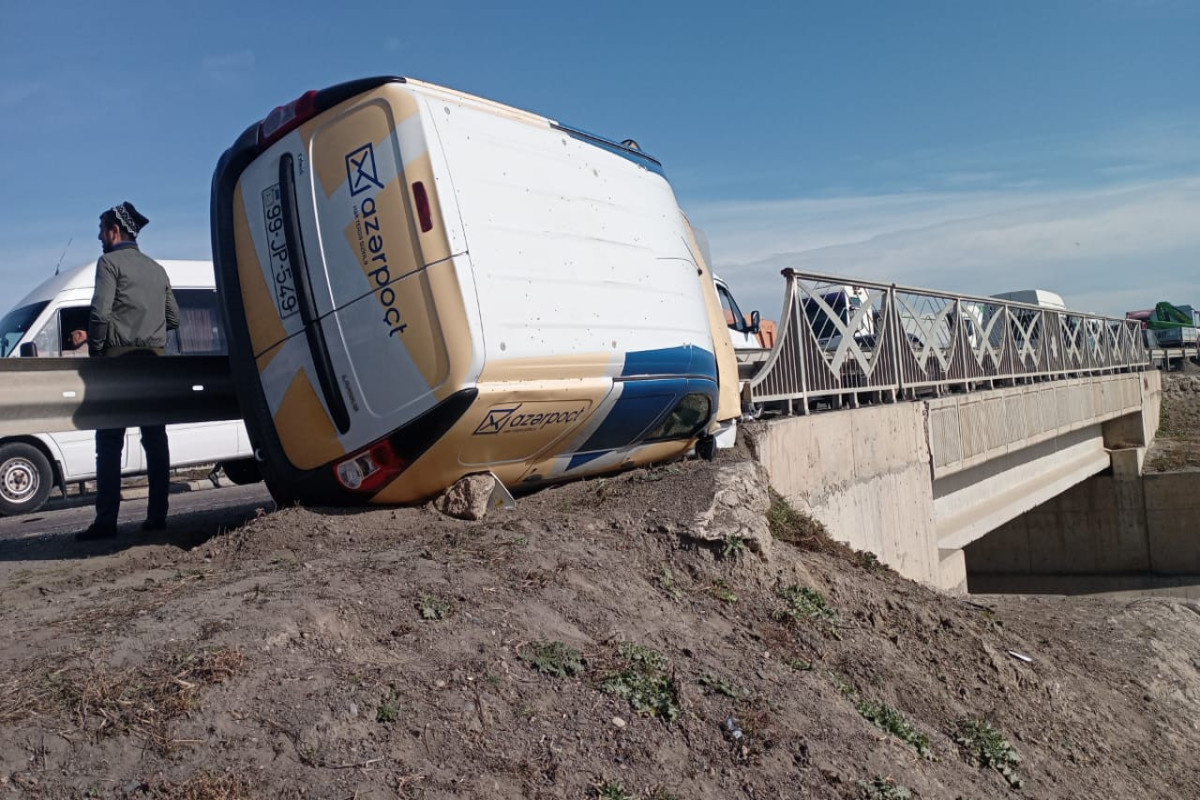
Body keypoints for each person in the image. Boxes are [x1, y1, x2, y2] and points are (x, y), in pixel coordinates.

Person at [76, 202, 180, 541]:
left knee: (109, 442)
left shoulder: (108, 263)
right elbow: (175, 319)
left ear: (114, 231)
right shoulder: (156, 269)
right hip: (153, 363)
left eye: (101, 229)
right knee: (155, 439)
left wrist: (97, 352)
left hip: (118, 364)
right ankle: (157, 517)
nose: (99, 236)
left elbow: (100, 314)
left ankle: (106, 521)